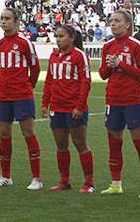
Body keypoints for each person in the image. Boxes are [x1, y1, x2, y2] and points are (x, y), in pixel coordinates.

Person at [99, 9, 140, 198]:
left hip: (132, 100)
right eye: (111, 20)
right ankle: (116, 184)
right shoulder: (107, 46)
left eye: (117, 21)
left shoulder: (136, 45)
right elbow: (103, 74)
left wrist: (121, 64)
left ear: (127, 25)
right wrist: (110, 65)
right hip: (113, 100)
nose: (113, 24)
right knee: (114, 145)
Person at [0, 7, 42, 190]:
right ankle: (5, 176)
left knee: (28, 133)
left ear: (16, 22)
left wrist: (27, 87)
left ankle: (36, 178)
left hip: (22, 95)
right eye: (2, 18)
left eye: (7, 18)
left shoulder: (25, 43)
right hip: (3, 95)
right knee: (4, 134)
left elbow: (35, 69)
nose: (3, 21)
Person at [42, 24, 94, 193]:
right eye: (56, 36)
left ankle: (89, 183)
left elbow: (85, 82)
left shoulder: (79, 56)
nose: (58, 40)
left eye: (61, 36)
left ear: (72, 38)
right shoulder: (53, 56)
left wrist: (79, 106)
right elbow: (49, 80)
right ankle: (64, 181)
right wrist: (45, 103)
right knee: (61, 145)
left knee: (80, 143)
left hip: (73, 108)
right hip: (57, 107)